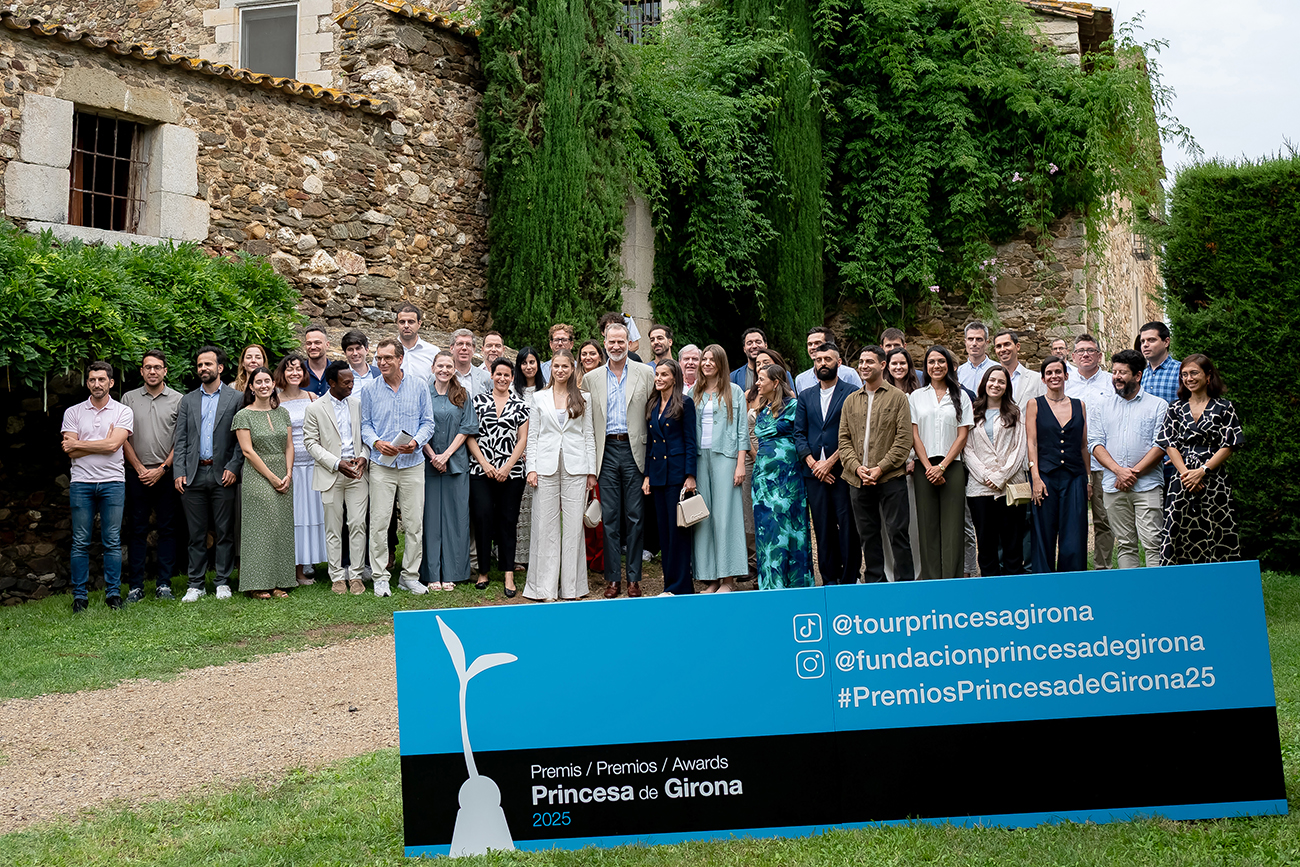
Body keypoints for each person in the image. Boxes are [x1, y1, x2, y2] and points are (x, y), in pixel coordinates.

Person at [360, 338, 436, 597]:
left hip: (412, 464)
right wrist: (377, 443)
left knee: (414, 524)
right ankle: (380, 576)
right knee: (380, 522)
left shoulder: (418, 387)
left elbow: (428, 422)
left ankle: (410, 576)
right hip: (382, 465)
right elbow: (365, 425)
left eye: (387, 358)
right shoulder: (369, 389)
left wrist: (416, 442)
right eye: (379, 358)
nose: (382, 363)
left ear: (400, 359)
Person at [587, 322, 656, 598]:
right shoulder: (591, 379)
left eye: (621, 341)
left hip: (634, 450)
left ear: (629, 343)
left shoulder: (644, 373)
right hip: (606, 452)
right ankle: (613, 578)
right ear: (604, 342)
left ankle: (634, 578)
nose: (616, 346)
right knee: (610, 518)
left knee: (636, 517)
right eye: (611, 341)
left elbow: (653, 416)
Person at [61, 362, 134, 612]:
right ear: (88, 383)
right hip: (81, 482)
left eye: (101, 380)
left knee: (112, 541)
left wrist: (84, 444)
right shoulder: (73, 412)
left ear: (111, 383)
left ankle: (113, 595)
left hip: (113, 482)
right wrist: (104, 442)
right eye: (92, 380)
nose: (96, 384)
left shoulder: (123, 411)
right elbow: (68, 449)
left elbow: (114, 447)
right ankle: (79, 597)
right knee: (80, 541)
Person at [1157, 353, 1243, 564]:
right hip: (1182, 478)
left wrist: (1202, 471)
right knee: (1177, 529)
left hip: (1213, 479)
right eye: (1184, 374)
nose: (1189, 378)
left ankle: (1220, 584)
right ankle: (1176, 585)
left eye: (1194, 373)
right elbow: (1169, 443)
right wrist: (1187, 474)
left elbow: (1230, 444)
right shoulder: (1175, 408)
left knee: (1217, 528)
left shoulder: (1224, 407)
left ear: (1208, 376)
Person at [524, 349, 596, 600]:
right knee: (545, 526)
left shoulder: (584, 397)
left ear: (572, 369)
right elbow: (532, 436)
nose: (561, 371)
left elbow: (589, 436)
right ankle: (543, 588)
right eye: (557, 366)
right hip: (544, 466)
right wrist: (530, 468)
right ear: (550, 369)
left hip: (576, 467)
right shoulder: (539, 398)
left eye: (566, 366)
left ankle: (572, 587)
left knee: (574, 528)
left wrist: (591, 472)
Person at [838, 345, 913, 583]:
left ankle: (904, 584)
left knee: (897, 533)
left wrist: (880, 468)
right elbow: (843, 439)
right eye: (861, 362)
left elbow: (904, 440)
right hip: (858, 480)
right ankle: (874, 583)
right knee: (867, 535)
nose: (863, 366)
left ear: (882, 365)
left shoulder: (898, 398)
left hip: (890, 478)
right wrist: (857, 468)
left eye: (869, 361)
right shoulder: (851, 400)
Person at [174, 346, 244, 602]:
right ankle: (195, 584)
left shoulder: (236, 398)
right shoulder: (188, 400)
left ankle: (223, 581)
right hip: (192, 475)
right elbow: (180, 439)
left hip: (223, 473)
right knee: (196, 534)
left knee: (225, 531)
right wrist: (178, 471)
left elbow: (240, 440)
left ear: (220, 368)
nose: (203, 368)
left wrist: (233, 467)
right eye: (200, 365)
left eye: (208, 364)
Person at [1088, 349, 1168, 569]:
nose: (1116, 377)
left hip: (1148, 485)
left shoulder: (1158, 405)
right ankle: (1132, 596)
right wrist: (1119, 471)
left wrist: (1133, 473)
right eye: (1114, 372)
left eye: (1122, 372)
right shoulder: (1101, 407)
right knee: (1125, 544)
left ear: (1138, 376)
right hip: (1114, 487)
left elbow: (1160, 444)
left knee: (1153, 542)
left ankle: (1155, 592)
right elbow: (1095, 444)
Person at [794, 343, 861, 585]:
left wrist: (830, 462)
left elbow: (856, 434)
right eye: (818, 359)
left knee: (847, 525)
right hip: (814, 474)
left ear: (838, 363)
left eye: (828, 359)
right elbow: (799, 433)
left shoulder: (852, 392)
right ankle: (829, 578)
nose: (822, 363)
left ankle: (850, 577)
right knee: (822, 527)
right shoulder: (805, 395)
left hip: (843, 472)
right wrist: (813, 464)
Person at [304, 361, 369, 595]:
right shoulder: (315, 409)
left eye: (352, 381)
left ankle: (357, 575)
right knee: (333, 527)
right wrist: (335, 463)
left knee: (358, 524)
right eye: (346, 382)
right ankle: (337, 576)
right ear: (332, 383)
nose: (351, 385)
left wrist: (363, 457)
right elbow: (310, 442)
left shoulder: (359, 405)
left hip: (357, 472)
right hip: (331, 472)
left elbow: (368, 436)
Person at [121, 350, 182, 602]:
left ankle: (164, 584)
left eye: (158, 367)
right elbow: (122, 436)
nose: (153, 371)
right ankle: (136, 586)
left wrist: (163, 469)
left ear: (165, 371)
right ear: (142, 371)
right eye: (148, 367)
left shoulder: (179, 400)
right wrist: (139, 468)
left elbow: (182, 439)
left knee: (168, 529)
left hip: (166, 473)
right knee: (137, 529)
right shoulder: (128, 398)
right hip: (137, 473)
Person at [688, 344, 748, 593]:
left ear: (721, 363)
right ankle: (710, 577)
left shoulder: (734, 391)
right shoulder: (694, 391)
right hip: (701, 459)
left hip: (726, 457)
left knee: (726, 518)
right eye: (705, 359)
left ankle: (728, 578)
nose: (707, 363)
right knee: (704, 518)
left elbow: (742, 430)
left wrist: (740, 464)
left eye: (712, 360)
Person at [910, 346, 973, 580]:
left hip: (952, 466)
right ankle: (931, 580)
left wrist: (943, 466)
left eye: (941, 361)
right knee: (927, 526)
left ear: (949, 365)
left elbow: (963, 435)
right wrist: (928, 467)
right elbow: (914, 434)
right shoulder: (916, 396)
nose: (936, 366)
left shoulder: (960, 395)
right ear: (925, 367)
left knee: (953, 526)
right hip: (923, 467)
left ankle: (952, 579)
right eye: (931, 362)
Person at [232, 367, 296, 599]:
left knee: (280, 527)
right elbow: (247, 451)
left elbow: (289, 445)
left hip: (283, 472)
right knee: (261, 528)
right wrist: (271, 476)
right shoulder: (243, 415)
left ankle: (279, 581)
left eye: (267, 381)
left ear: (273, 384)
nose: (263, 385)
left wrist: (288, 473)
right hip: (258, 475)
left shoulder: (282, 413)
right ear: (251, 387)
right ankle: (257, 583)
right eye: (258, 382)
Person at [468, 358, 529, 597]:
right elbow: (470, 435)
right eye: (498, 374)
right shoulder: (478, 401)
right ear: (491, 376)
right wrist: (484, 463)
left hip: (511, 473)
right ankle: (483, 571)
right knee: (483, 518)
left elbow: (522, 438)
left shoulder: (520, 404)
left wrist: (507, 466)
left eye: (507, 375)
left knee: (507, 521)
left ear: (512, 378)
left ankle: (508, 573)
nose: (502, 378)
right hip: (480, 471)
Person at [420, 350, 479, 590]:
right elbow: (417, 425)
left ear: (454, 369)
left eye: (449, 366)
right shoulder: (423, 394)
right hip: (428, 464)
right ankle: (432, 572)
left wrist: (445, 455)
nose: (444, 370)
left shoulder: (462, 394)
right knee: (431, 519)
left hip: (455, 465)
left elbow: (467, 428)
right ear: (433, 367)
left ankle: (453, 572)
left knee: (457, 519)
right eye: (440, 365)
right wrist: (433, 455)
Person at [750, 363, 813, 589]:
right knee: (767, 531)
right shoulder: (762, 410)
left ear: (775, 382)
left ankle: (793, 585)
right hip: (763, 481)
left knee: (787, 530)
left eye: (762, 379)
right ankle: (770, 584)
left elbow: (803, 438)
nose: (757, 383)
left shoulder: (794, 406)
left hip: (788, 479)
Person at [1027, 356, 1091, 573]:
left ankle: (1072, 584)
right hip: (1045, 476)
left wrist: (1088, 479)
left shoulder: (1079, 405)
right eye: (1049, 373)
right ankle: (1044, 585)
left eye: (1058, 372)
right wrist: (1035, 477)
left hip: (1074, 477)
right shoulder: (1034, 404)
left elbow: (1083, 446)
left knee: (1074, 535)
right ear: (1043, 379)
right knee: (1043, 534)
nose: (1054, 376)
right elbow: (1032, 442)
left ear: (1066, 375)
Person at [964, 366, 1028, 576]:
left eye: (1001, 382)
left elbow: (1020, 448)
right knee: (986, 543)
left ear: (1007, 387)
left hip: (1011, 486)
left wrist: (1001, 476)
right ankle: (989, 590)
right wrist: (986, 475)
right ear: (984, 383)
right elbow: (967, 449)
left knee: (1012, 543)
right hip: (980, 488)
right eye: (992, 380)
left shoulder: (1015, 412)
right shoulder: (972, 412)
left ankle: (1014, 590)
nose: (996, 385)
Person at [642, 359, 698, 595]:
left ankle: (681, 585)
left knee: (679, 532)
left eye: (664, 375)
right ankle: (669, 584)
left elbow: (690, 441)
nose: (659, 378)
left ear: (674, 378)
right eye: (657, 374)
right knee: (664, 532)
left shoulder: (685, 403)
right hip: (657, 475)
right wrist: (646, 475)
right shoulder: (653, 403)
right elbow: (650, 444)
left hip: (677, 475)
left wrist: (690, 475)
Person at [1063, 333, 1115, 569]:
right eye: (1080, 350)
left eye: (1091, 350)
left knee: (1104, 519)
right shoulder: (1066, 384)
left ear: (1099, 355)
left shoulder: (1111, 382)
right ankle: (1076, 569)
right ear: (1073, 356)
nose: (1085, 354)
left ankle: (1102, 568)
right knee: (1074, 520)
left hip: (1104, 462)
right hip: (1073, 462)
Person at [275, 354, 326, 585]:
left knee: (311, 516)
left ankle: (309, 564)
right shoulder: (275, 400)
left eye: (298, 369)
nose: (294, 373)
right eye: (289, 369)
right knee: (293, 519)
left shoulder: (312, 397)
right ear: (282, 374)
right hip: (290, 467)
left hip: (313, 465)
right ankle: (293, 570)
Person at [883, 346, 924, 577]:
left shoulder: (919, 394)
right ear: (887, 366)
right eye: (894, 363)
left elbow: (921, 432)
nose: (898, 367)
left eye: (903, 363)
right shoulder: (882, 393)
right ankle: (891, 574)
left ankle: (917, 573)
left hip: (912, 466)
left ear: (909, 367)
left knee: (914, 524)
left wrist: (915, 459)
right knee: (889, 524)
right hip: (889, 466)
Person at [512, 345, 546, 570]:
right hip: (517, 455)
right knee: (519, 507)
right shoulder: (514, 392)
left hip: (542, 454)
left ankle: (539, 553)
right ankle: (518, 557)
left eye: (532, 362)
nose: (528, 366)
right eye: (524, 363)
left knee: (540, 507)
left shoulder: (547, 391)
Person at [1137, 321, 1182, 491]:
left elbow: (1191, 413)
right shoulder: (1139, 376)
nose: (1145, 345)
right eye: (1142, 341)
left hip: (1172, 459)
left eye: (1151, 340)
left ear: (1166, 341)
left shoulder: (1181, 372)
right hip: (1144, 460)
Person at [575, 338, 607, 572]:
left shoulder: (606, 379)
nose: (588, 358)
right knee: (583, 506)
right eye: (584, 354)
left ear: (600, 356)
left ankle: (601, 556)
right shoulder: (575, 383)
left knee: (602, 505)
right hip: (581, 449)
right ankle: (585, 555)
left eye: (592, 354)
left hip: (604, 448)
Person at [794, 326, 862, 393]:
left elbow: (860, 400)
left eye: (817, 343)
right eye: (810, 344)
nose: (812, 347)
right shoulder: (801, 380)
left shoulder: (849, 374)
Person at [992, 329, 1045, 411]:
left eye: (1007, 344)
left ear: (1018, 346)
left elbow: (1044, 409)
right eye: (999, 346)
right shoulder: (989, 381)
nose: (1002, 349)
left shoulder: (1036, 379)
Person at [397, 303, 439, 382]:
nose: (406, 325)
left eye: (411, 322)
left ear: (419, 324)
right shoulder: (386, 351)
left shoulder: (433, 352)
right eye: (402, 322)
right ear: (397, 323)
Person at [449, 328, 492, 398]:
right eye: (460, 344)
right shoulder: (440, 376)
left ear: (474, 349)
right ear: (451, 348)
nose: (464, 348)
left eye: (468, 344)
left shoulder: (486, 378)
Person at [957, 321, 997, 393]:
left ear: (986, 343)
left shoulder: (997, 370)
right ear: (965, 342)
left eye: (979, 339)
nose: (974, 343)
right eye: (970, 339)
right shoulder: (958, 372)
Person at [303, 326, 331, 397]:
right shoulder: (298, 373)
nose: (312, 347)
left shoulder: (338, 371)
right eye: (309, 343)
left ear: (327, 345)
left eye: (317, 343)